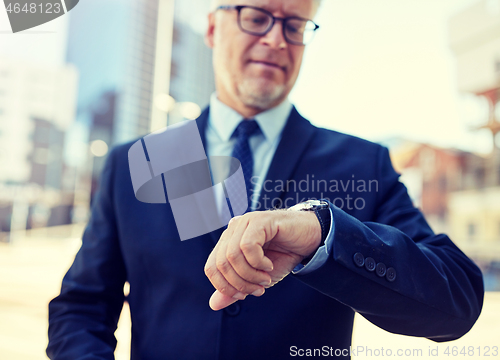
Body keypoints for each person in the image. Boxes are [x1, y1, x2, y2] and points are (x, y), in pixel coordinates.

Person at [47, 0, 484, 359]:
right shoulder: (138, 162)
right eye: (257, 17)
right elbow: (82, 307)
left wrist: (323, 235)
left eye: (295, 25)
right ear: (214, 29)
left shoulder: (362, 163)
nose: (276, 39)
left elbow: (457, 303)